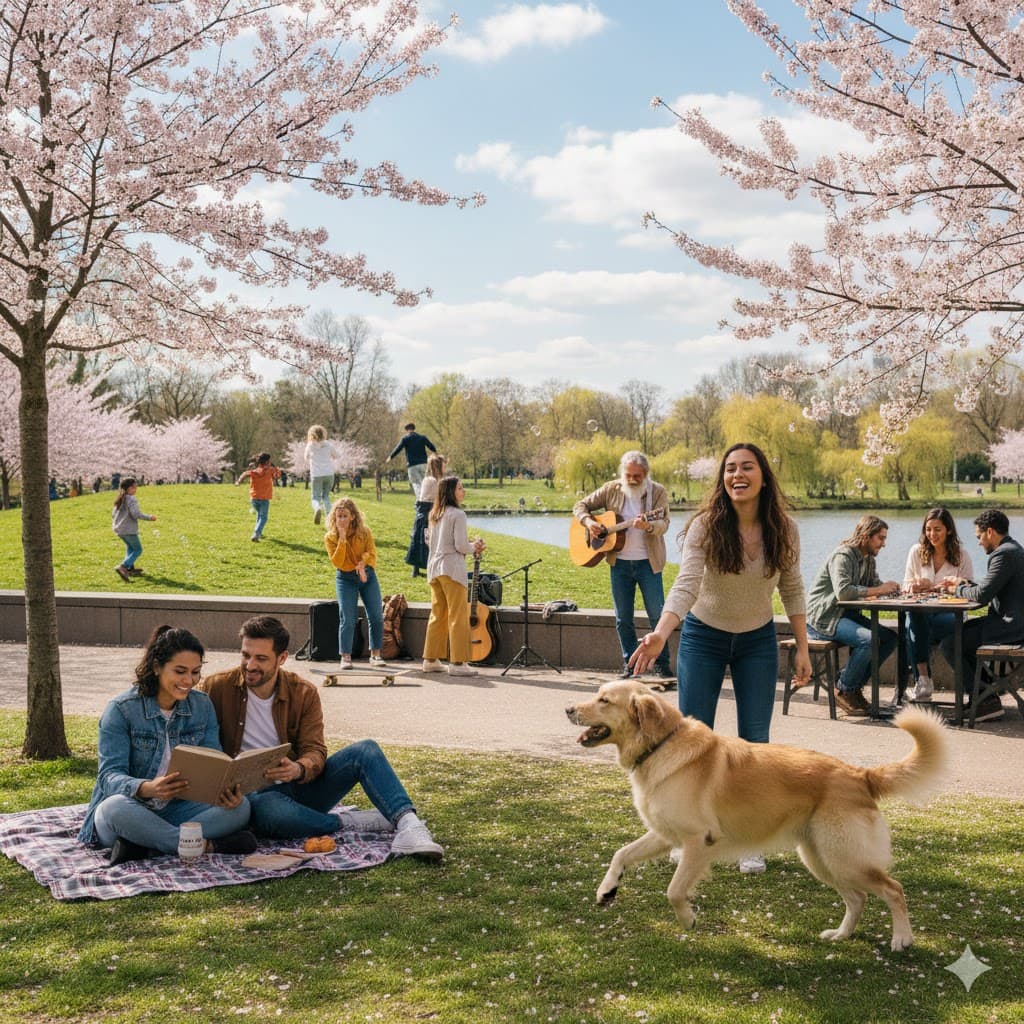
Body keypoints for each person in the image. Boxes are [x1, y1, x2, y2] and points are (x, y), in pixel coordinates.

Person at [629, 444, 810, 875]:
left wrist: (802, 646)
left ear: (763, 476)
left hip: (757, 641)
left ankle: (751, 840)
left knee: (755, 744)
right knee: (690, 741)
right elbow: (686, 584)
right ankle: (685, 833)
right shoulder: (706, 527)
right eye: (730, 469)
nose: (737, 475)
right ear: (722, 479)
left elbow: (793, 589)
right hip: (703, 637)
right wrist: (661, 632)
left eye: (747, 467)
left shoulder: (784, 528)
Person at [200, 616, 443, 860]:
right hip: (249, 798)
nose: (250, 665)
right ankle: (346, 821)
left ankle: (410, 826)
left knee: (366, 751)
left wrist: (298, 768)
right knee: (266, 810)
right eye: (245, 655)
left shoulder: (303, 692)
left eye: (261, 658)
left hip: (298, 788)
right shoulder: (215, 687)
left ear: (282, 658)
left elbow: (315, 750)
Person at [78, 626, 257, 866]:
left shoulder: (202, 706)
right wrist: (148, 788)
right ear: (156, 667)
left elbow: (214, 762)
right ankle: (207, 845)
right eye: (180, 671)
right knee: (112, 808)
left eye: (195, 672)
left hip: (179, 809)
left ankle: (148, 845)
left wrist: (225, 792)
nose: (189, 680)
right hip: (133, 808)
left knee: (241, 807)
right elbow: (108, 777)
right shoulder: (121, 709)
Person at [573, 451, 673, 680]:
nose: (632, 479)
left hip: (649, 564)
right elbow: (580, 505)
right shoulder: (611, 489)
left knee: (658, 616)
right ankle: (630, 664)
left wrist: (648, 527)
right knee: (623, 618)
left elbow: (664, 523)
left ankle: (662, 665)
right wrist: (589, 523)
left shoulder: (657, 492)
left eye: (637, 476)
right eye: (628, 475)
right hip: (619, 563)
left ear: (646, 474)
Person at [805, 514, 902, 717]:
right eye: (881, 538)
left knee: (890, 638)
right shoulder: (844, 555)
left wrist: (892, 589)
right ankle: (844, 689)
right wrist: (879, 589)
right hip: (824, 617)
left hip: (845, 614)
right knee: (869, 641)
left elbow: (874, 585)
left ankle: (851, 683)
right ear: (866, 536)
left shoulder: (868, 559)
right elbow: (844, 592)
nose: (883, 544)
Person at [938, 509, 1024, 722]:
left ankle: (985, 700)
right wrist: (964, 584)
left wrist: (955, 590)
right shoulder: (1013, 549)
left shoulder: (1004, 554)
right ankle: (986, 697)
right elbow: (991, 588)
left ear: (990, 532)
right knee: (961, 634)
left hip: (1012, 628)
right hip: (1012, 623)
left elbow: (982, 597)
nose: (978, 542)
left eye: (979, 536)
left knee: (951, 644)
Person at [902, 507, 974, 702]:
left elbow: (969, 591)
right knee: (915, 615)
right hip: (922, 616)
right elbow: (906, 586)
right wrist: (916, 587)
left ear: (949, 530)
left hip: (949, 617)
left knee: (910, 629)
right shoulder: (916, 552)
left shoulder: (962, 556)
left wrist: (942, 587)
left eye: (937, 529)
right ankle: (924, 679)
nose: (932, 534)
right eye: (928, 529)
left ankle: (922, 685)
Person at [422, 476, 485, 676]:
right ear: (451, 491)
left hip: (434, 569)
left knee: (437, 614)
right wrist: (475, 545)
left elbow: (431, 542)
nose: (463, 490)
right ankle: (458, 663)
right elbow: (460, 546)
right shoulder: (458, 514)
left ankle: (430, 659)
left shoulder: (434, 514)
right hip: (452, 569)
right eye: (460, 487)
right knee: (458, 615)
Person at [324, 498, 387, 670]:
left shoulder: (364, 532)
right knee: (348, 618)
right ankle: (345, 656)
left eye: (345, 516)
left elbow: (372, 552)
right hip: (345, 578)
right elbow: (337, 561)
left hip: (367, 575)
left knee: (375, 615)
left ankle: (376, 654)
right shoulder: (331, 537)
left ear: (352, 516)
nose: (341, 520)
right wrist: (342, 539)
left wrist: (363, 563)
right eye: (338, 516)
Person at [406, 452, 445, 578]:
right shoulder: (437, 482)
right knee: (430, 540)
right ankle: (430, 567)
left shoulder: (426, 480)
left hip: (421, 512)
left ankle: (416, 568)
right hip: (431, 511)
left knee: (418, 539)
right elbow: (438, 499)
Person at [112, 477, 157, 583]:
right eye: (133, 487)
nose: (136, 489)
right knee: (138, 550)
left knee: (131, 548)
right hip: (128, 529)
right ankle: (123, 566)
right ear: (128, 488)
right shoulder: (131, 499)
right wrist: (150, 517)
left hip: (119, 529)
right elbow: (135, 514)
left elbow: (114, 514)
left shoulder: (120, 498)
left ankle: (130, 569)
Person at [236, 452, 281, 542]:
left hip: (254, 499)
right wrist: (276, 468)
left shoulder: (254, 471)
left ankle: (259, 532)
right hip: (264, 499)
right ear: (267, 462)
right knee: (263, 517)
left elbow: (245, 474)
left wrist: (238, 481)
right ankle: (256, 533)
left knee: (259, 515)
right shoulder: (270, 470)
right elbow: (277, 476)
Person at [386, 422, 437, 498]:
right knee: (424, 483)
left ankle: (421, 501)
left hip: (412, 465)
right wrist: (435, 453)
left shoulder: (405, 439)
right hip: (423, 464)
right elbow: (432, 447)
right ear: (414, 429)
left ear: (407, 430)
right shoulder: (422, 437)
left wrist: (390, 457)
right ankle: (428, 499)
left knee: (416, 484)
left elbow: (398, 449)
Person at [304, 425, 336, 525]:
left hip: (316, 474)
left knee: (315, 497)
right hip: (329, 474)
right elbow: (337, 456)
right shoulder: (328, 444)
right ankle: (329, 517)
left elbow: (306, 457)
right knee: (326, 496)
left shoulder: (310, 445)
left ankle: (317, 508)